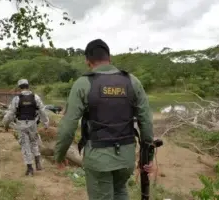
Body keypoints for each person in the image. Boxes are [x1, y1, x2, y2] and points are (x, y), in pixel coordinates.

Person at [54, 39, 154, 200]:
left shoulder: (83, 83)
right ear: (110, 58)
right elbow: (146, 123)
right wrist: (147, 158)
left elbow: (68, 126)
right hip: (126, 158)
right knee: (120, 191)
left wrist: (59, 155)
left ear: (87, 61)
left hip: (98, 158)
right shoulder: (132, 81)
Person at [2, 79, 49, 176]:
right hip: (33, 124)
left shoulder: (16, 99)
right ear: (28, 86)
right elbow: (42, 111)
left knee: (25, 145)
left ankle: (30, 169)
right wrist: (46, 123)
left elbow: (10, 114)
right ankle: (38, 163)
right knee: (34, 142)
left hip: (21, 124)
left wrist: (6, 124)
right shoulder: (35, 97)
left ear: (19, 87)